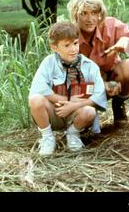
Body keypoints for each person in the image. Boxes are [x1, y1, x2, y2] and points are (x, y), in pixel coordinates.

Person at [67, 0, 129, 125]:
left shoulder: (112, 26)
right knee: (83, 125)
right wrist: (100, 85)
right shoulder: (68, 35)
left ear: (100, 13)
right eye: (84, 13)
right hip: (83, 86)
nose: (90, 19)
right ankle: (86, 116)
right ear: (75, 15)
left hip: (113, 81)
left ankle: (119, 104)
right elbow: (67, 78)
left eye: (94, 13)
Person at [28, 21, 107, 156]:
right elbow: (39, 88)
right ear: (54, 47)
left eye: (75, 43)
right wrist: (66, 99)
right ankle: (47, 137)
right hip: (55, 111)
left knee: (89, 111)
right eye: (67, 45)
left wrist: (73, 105)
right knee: (35, 99)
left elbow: (99, 95)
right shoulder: (48, 63)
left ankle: (73, 134)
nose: (73, 49)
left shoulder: (90, 66)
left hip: (77, 113)